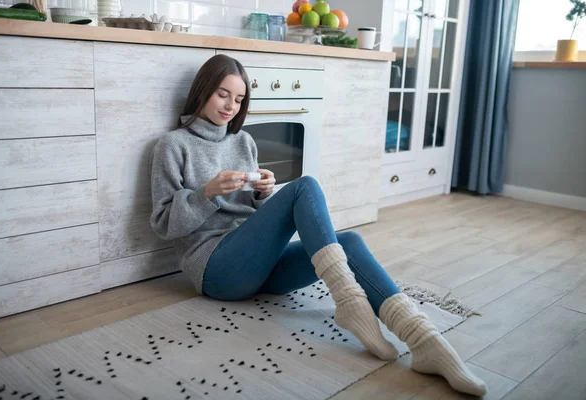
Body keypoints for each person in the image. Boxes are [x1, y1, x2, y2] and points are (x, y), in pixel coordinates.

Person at [149, 54, 487, 397]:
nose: (231, 106)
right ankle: (350, 303)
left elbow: (252, 213)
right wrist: (206, 193)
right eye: (223, 94)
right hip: (216, 269)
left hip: (257, 265)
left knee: (350, 241)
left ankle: (423, 339)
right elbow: (164, 225)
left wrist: (263, 194)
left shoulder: (243, 142)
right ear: (203, 90)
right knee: (304, 186)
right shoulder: (173, 145)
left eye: (239, 99)